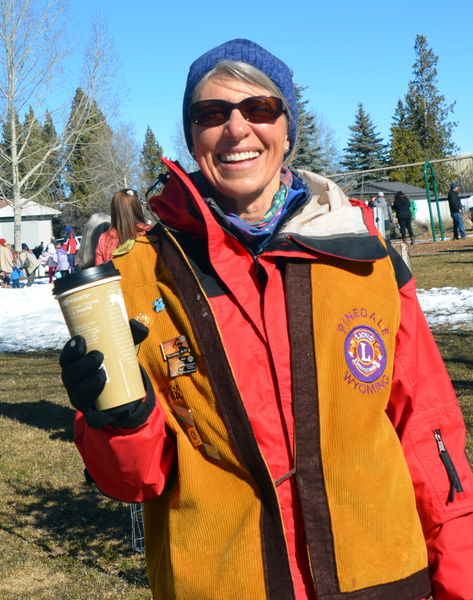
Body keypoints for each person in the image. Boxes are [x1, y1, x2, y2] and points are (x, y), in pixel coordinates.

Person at [59, 39, 473, 600]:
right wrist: (118, 420)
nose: (236, 129)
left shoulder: (365, 257)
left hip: (381, 579)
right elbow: (136, 480)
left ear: (287, 128)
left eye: (259, 109)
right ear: (192, 135)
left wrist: (459, 582)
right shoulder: (136, 278)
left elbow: (427, 433)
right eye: (212, 114)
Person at [94, 189, 150, 265]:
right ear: (137, 207)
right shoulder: (150, 232)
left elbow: (100, 270)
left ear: (114, 210)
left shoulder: (104, 238)